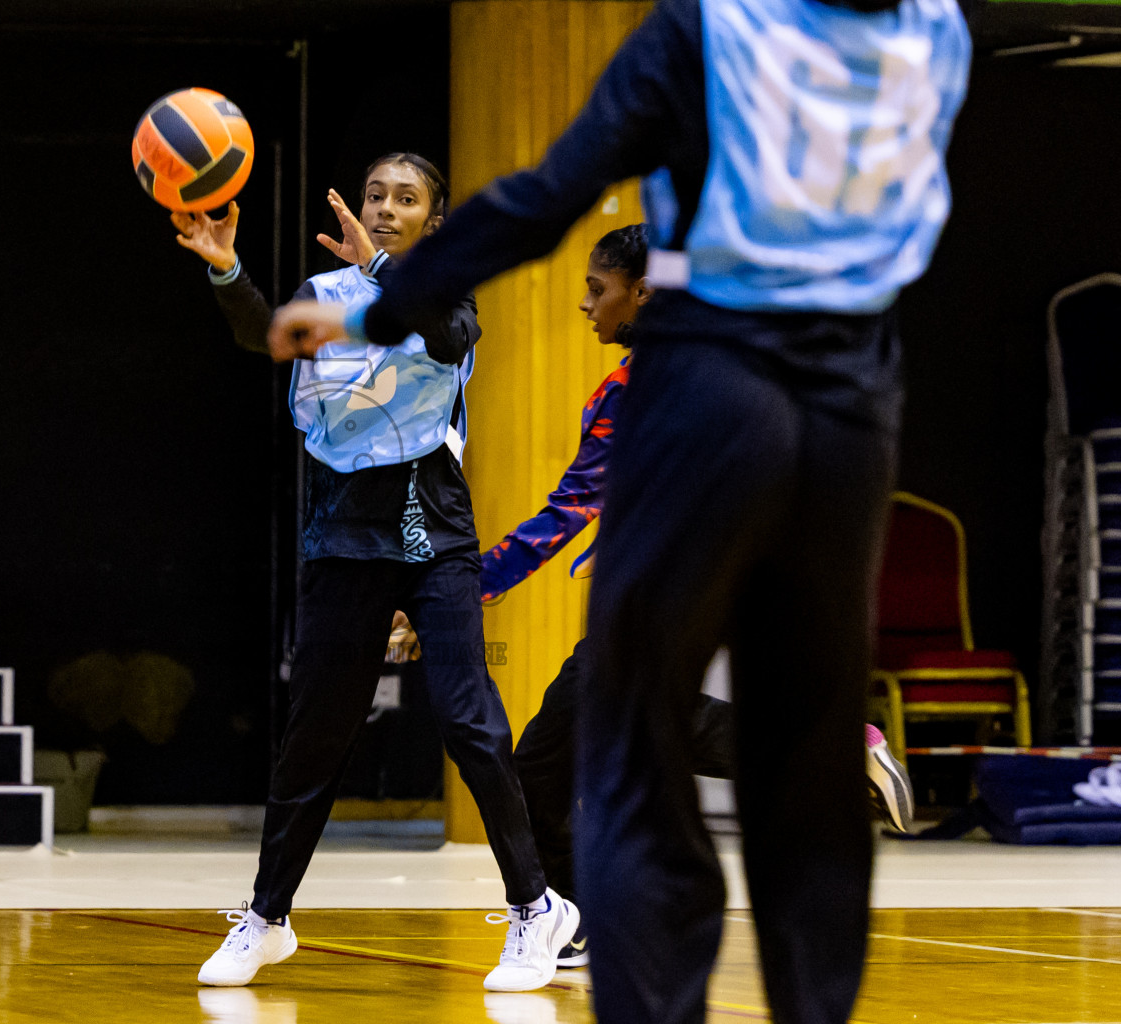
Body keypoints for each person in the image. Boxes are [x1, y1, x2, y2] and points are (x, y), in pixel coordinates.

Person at [267, 0, 972, 1017]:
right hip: (855, 404)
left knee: (633, 746)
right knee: (808, 751)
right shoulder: (935, 32)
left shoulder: (708, 28)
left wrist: (370, 306)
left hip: (713, 384)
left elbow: (549, 197)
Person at [172, 153, 577, 992]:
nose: (386, 208)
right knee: (313, 739)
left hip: (435, 543)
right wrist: (228, 271)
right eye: (375, 196)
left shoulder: (446, 292)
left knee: (471, 721)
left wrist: (383, 267)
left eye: (406, 200)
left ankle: (538, 909)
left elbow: (450, 334)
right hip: (343, 543)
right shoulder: (325, 295)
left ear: (435, 222)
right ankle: (267, 919)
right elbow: (263, 332)